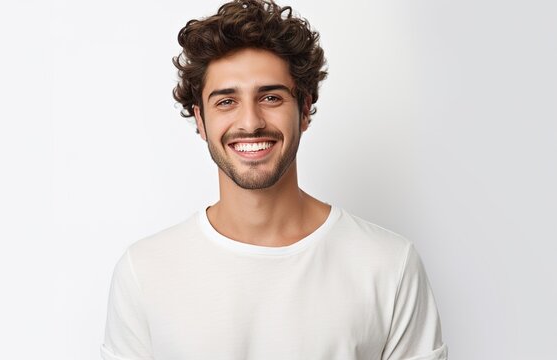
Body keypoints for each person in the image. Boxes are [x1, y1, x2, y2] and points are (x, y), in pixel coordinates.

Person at [101, 1, 447, 359]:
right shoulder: (145, 271)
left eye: (270, 97)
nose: (250, 122)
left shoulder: (388, 265)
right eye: (226, 101)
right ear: (200, 120)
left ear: (305, 110)